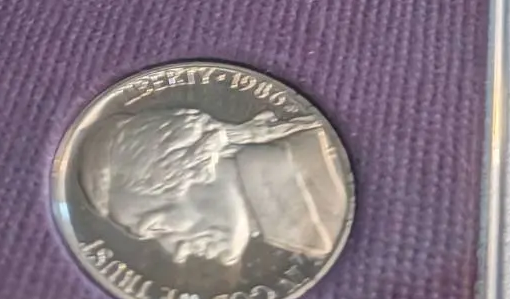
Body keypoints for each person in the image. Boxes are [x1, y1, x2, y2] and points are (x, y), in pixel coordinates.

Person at [79, 106, 348, 265]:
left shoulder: (330, 206)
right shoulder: (305, 230)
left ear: (192, 167)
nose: (177, 254)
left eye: (158, 226)